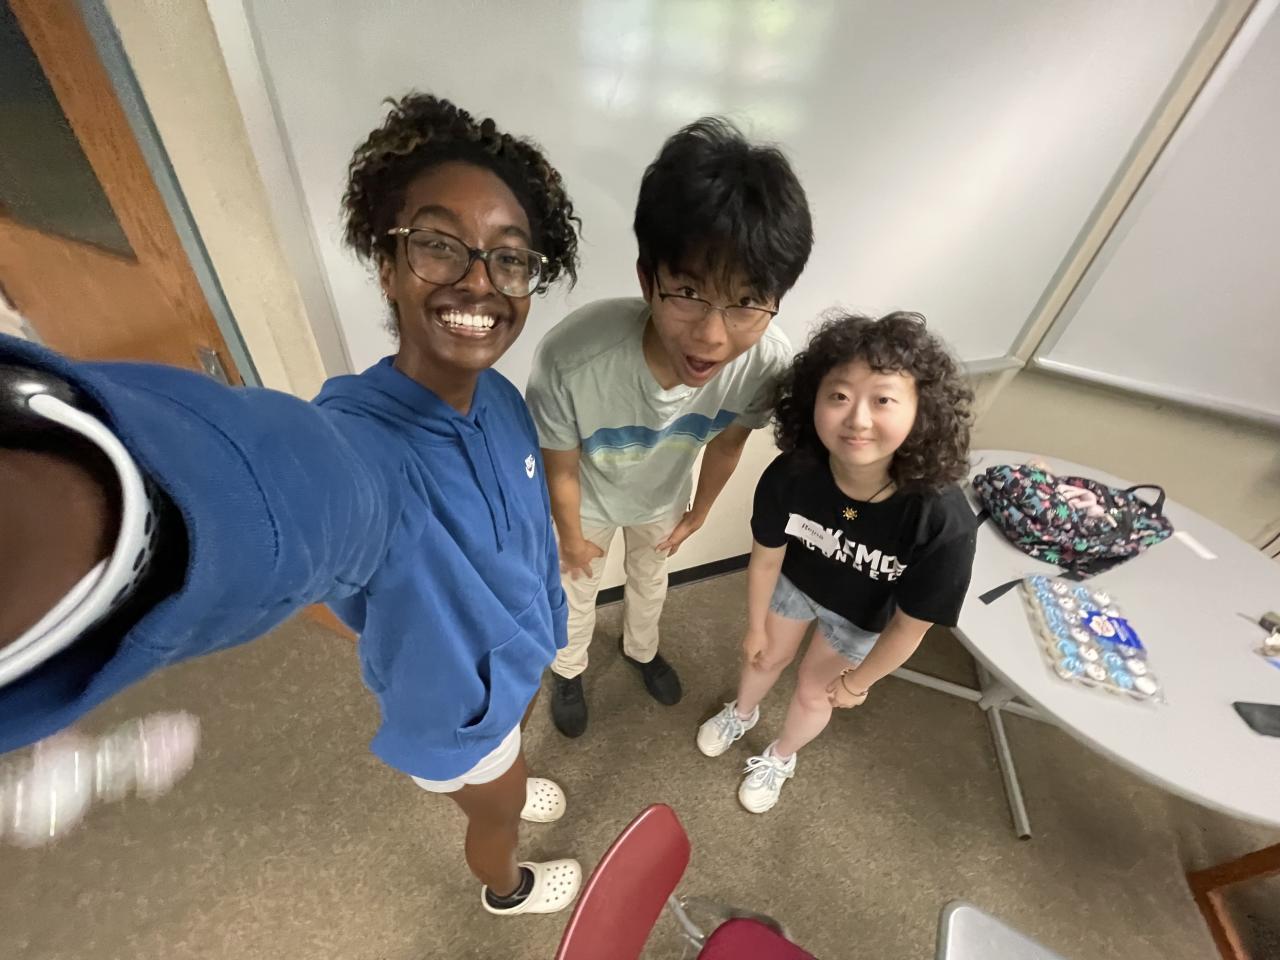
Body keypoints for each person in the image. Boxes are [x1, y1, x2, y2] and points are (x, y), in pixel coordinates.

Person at [0, 94, 585, 916]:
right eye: (439, 245)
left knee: (507, 769)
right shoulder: (364, 444)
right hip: (458, 717)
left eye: (509, 258)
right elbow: (291, 484)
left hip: (514, 674)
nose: (479, 281)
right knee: (494, 813)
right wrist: (80, 490)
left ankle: (506, 776)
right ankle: (505, 887)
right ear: (387, 265)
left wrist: (547, 618)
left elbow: (524, 535)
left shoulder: (501, 399)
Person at [526, 118, 814, 739]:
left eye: (746, 302)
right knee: (574, 590)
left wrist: (699, 511)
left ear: (774, 300)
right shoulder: (573, 358)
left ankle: (641, 649)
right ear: (647, 279)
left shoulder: (764, 364)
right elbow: (560, 463)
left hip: (662, 496)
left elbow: (729, 441)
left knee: (651, 581)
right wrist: (570, 536)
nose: (712, 336)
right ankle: (568, 668)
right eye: (687, 291)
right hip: (587, 499)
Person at [695, 312, 978, 813]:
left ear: (922, 410)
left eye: (883, 399)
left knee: (814, 692)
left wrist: (858, 682)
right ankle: (742, 712)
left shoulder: (942, 521)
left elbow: (910, 627)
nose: (858, 419)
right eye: (839, 396)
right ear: (813, 401)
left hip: (862, 616)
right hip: (796, 585)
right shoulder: (791, 473)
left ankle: (781, 757)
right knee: (763, 657)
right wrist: (756, 626)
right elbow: (766, 558)